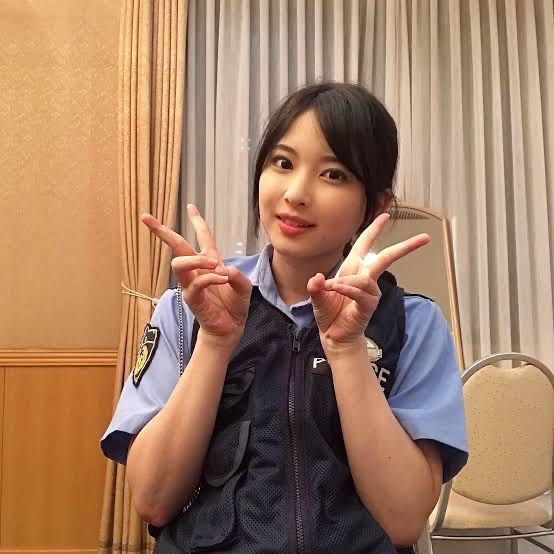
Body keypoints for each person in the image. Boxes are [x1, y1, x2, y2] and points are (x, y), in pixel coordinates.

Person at [101, 82, 468, 554]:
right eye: (282, 163)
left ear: (374, 206)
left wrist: (346, 349)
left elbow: (402, 521)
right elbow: (153, 501)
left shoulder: (413, 323)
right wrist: (214, 341)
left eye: (333, 174)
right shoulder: (187, 307)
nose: (295, 193)